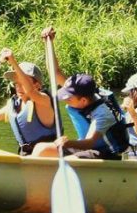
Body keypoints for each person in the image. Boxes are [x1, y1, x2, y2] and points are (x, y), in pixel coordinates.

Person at [31, 28, 129, 159]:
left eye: (69, 99)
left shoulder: (102, 113)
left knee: (68, 158)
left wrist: (66, 143)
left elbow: (89, 143)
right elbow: (55, 73)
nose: (66, 100)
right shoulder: (80, 90)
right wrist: (48, 43)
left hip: (107, 154)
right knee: (41, 148)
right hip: (87, 148)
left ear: (83, 101)